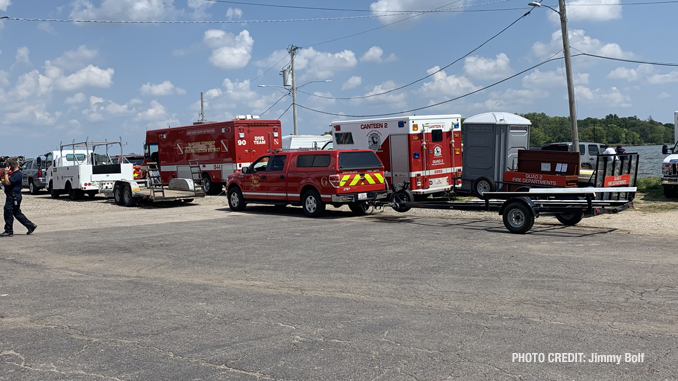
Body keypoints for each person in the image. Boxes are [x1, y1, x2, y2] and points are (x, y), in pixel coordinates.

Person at [2, 158, 37, 237]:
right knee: (16, 212)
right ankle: (30, 225)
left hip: (13, 196)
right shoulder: (14, 174)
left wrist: (6, 173)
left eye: (8, 166)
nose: (6, 168)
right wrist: (2, 181)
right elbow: (6, 181)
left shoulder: (17, 174)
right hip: (13, 195)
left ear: (11, 166)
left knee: (8, 211)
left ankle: (8, 230)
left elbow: (8, 182)